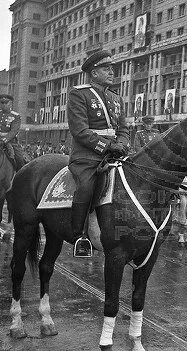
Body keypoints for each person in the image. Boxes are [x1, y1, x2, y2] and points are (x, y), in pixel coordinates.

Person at [67, 50, 129, 257]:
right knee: (86, 186)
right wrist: (107, 146)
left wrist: (121, 143)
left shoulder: (116, 98)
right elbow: (80, 131)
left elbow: (123, 129)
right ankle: (79, 236)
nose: (111, 72)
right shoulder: (79, 93)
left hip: (115, 154)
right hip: (88, 156)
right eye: (106, 68)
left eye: (112, 68)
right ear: (93, 73)